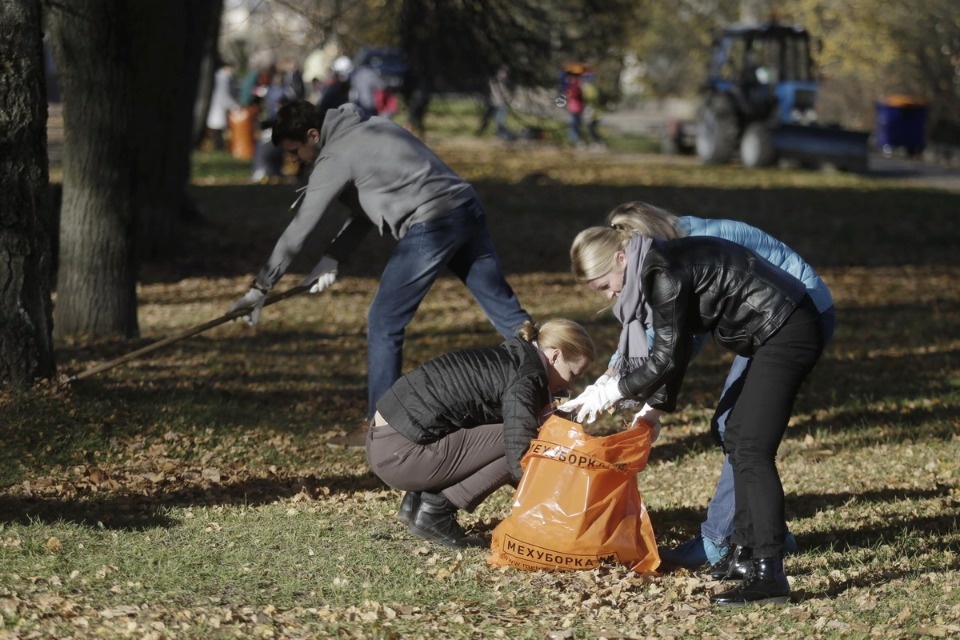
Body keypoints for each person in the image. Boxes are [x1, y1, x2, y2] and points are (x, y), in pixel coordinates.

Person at [227, 100, 532, 445]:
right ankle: (549, 390)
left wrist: (260, 287)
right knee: (505, 311)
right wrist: (332, 258)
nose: (294, 160)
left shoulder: (335, 156)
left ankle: (382, 429)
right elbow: (364, 209)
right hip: (464, 206)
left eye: (295, 151)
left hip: (433, 222)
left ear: (313, 135)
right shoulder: (370, 128)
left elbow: (300, 228)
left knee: (384, 321)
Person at [561, 224, 825, 605]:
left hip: (787, 330)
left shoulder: (662, 275)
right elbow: (677, 352)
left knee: (751, 448)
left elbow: (664, 358)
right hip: (771, 332)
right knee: (737, 437)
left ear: (621, 259)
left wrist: (615, 390)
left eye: (605, 285)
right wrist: (650, 409)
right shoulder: (657, 264)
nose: (610, 295)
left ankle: (770, 575)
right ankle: (745, 553)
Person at [367, 318, 596, 548]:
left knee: (503, 431)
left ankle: (415, 502)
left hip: (385, 441)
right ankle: (435, 512)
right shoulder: (524, 378)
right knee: (526, 446)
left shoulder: (512, 357)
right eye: (573, 374)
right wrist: (556, 507)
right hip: (400, 455)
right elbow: (520, 456)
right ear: (555, 356)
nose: (570, 386)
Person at [205, 61, 239, 151]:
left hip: (217, 107)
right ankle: (218, 147)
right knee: (218, 129)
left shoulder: (220, 77)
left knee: (217, 129)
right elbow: (225, 96)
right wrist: (234, 105)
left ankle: (217, 146)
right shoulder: (223, 79)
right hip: (219, 108)